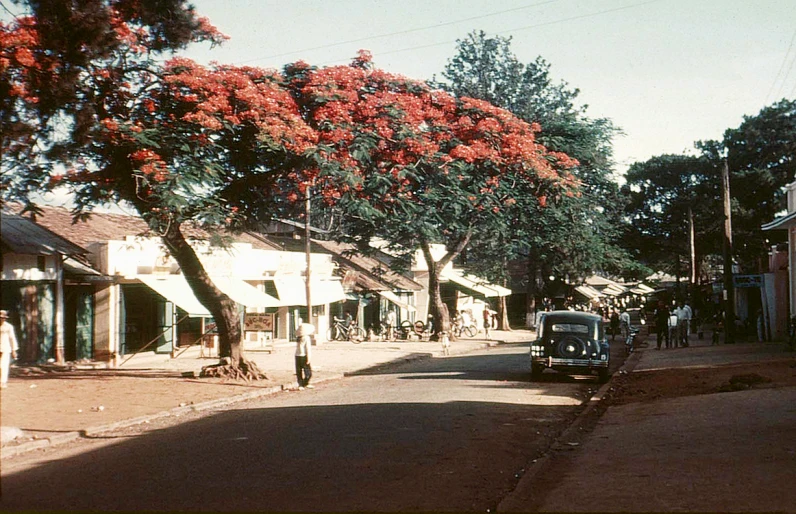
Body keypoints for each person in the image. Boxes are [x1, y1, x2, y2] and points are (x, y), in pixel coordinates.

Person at [0, 310, 19, 389]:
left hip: (5, 348)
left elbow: (12, 338)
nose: (2, 319)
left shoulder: (8, 327)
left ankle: (3, 382)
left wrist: (14, 350)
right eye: (1, 317)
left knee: (3, 366)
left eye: (4, 318)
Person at [295, 323, 314, 390]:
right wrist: (309, 358)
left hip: (297, 355)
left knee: (299, 371)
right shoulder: (307, 338)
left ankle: (300, 384)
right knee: (308, 372)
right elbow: (308, 348)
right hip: (304, 355)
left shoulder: (298, 338)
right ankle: (305, 383)